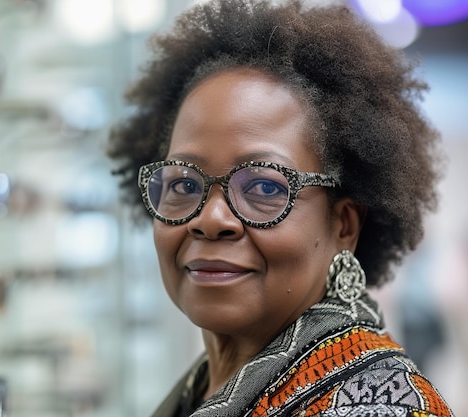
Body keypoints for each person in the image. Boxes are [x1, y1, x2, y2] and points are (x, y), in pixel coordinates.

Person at [107, 0, 453, 416]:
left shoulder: (378, 406)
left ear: (344, 225)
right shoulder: (202, 390)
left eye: (264, 186)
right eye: (184, 182)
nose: (211, 219)